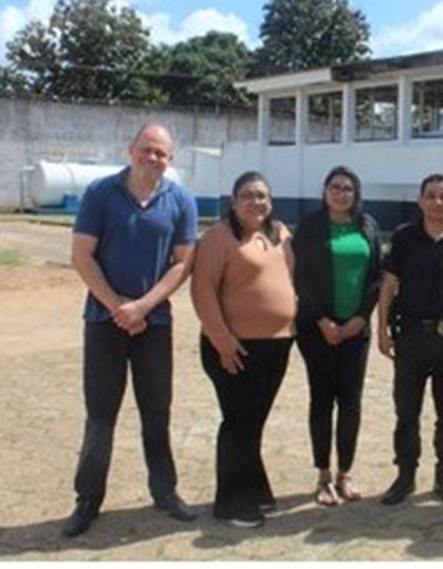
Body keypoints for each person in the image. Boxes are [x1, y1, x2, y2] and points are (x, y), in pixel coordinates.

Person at [62, 123, 199, 538]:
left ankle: (165, 491)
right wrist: (117, 306)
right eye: (147, 149)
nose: (153, 158)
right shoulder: (101, 194)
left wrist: (142, 306)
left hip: (153, 324)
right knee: (101, 417)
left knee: (156, 413)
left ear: (170, 160)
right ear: (131, 149)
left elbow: (182, 264)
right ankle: (88, 501)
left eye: (161, 153)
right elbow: (82, 255)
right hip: (104, 323)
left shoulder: (181, 201)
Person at [190, 171, 297, 529]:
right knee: (239, 422)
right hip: (234, 347)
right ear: (233, 202)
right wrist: (221, 339)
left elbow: (289, 279)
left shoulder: (280, 234)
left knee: (255, 421)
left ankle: (256, 489)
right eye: (248, 196)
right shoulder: (218, 238)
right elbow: (202, 290)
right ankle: (232, 503)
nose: (256, 203)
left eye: (262, 196)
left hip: (278, 344)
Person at [377, 173, 443, 506]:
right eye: (431, 196)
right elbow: (389, 285)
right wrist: (381, 328)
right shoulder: (404, 237)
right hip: (410, 338)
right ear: (421, 201)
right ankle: (405, 475)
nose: (438, 202)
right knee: (406, 411)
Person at [292, 166, 383, 506]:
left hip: (356, 330)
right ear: (325, 190)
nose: (341, 193)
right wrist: (321, 320)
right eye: (335, 187)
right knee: (321, 400)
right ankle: (323, 476)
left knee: (351, 402)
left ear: (356, 193)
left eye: (347, 188)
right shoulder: (311, 227)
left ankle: (345, 472)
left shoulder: (368, 226)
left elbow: (377, 277)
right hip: (318, 330)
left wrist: (361, 317)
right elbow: (300, 277)